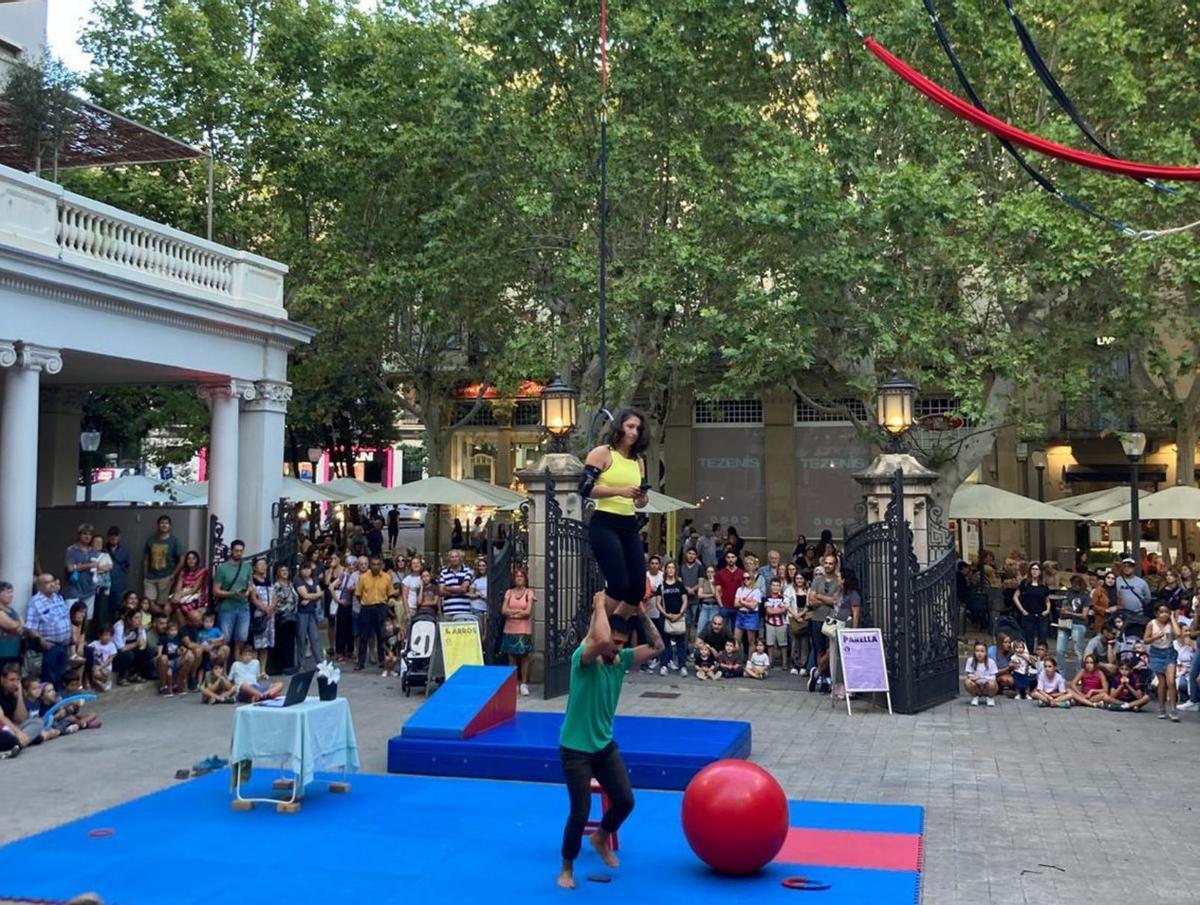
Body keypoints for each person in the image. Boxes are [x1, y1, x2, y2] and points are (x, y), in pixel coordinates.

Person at [556, 597, 662, 890]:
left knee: (626, 801)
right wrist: (600, 605)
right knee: (580, 810)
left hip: (603, 747)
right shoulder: (584, 658)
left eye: (620, 643)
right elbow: (599, 640)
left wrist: (640, 612)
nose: (614, 646)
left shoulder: (621, 660)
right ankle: (566, 867)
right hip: (575, 748)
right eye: (613, 641)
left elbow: (657, 647)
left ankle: (601, 837)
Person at [579, 408, 650, 621]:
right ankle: (593, 631)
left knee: (637, 589)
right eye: (630, 426)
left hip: (629, 523)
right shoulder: (602, 453)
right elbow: (584, 489)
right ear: (619, 426)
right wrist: (619, 491)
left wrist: (641, 499)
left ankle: (614, 630)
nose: (634, 432)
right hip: (605, 522)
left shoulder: (638, 460)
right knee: (619, 585)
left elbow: (640, 501)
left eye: (638, 428)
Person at [24, 574, 72, 691]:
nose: (51, 584)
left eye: (52, 581)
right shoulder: (35, 602)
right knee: (49, 678)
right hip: (49, 646)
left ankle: (60, 700)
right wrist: (41, 640)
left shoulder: (58, 597)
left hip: (64, 644)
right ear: (39, 586)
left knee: (62, 675)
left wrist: (70, 637)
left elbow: (66, 618)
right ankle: (49, 704)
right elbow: (30, 627)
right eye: (47, 582)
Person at [355, 556, 395, 671]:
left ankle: (382, 660)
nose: (376, 566)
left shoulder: (387, 577)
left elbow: (390, 593)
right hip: (367, 607)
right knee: (363, 635)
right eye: (373, 564)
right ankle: (361, 662)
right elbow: (358, 594)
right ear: (370, 565)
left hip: (381, 606)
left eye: (378, 564)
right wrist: (366, 602)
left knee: (381, 635)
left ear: (382, 565)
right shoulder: (363, 577)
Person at [213, 540, 252, 659]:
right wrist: (232, 593)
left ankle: (237, 663)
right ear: (231, 551)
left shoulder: (247, 567)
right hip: (227, 607)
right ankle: (222, 667)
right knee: (225, 639)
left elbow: (250, 584)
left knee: (242, 637)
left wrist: (248, 592)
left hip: (243, 607)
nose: (239, 553)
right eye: (236, 551)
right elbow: (216, 591)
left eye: (241, 551)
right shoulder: (223, 568)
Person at [500, 567, 535, 696]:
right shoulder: (509, 592)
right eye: (517, 576)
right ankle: (513, 683)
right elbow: (503, 610)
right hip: (510, 629)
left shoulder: (529, 593)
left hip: (523, 629)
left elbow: (527, 612)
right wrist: (518, 613)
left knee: (524, 656)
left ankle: (524, 683)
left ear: (525, 578)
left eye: (521, 576)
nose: (519, 578)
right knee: (511, 657)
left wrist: (512, 613)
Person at [1144, 603, 1182, 721]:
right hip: (1156, 653)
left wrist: (1172, 618)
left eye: (1166, 612)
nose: (1164, 614)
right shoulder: (1152, 624)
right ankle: (1161, 707)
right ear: (1156, 613)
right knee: (1162, 682)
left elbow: (1179, 633)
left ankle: (1173, 709)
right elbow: (1145, 640)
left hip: (1169, 653)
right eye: (1161, 612)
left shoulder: (1171, 624)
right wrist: (1155, 637)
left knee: (1171, 681)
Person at [64, 524, 101, 627]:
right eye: (85, 534)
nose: (87, 536)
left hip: (89, 588)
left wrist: (80, 566)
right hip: (73, 589)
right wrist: (88, 565)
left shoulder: (93, 551)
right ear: (79, 535)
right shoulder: (71, 550)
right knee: (71, 616)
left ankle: (82, 639)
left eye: (90, 534)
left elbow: (97, 567)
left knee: (87, 617)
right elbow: (70, 568)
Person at [142, 515, 183, 608]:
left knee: (162, 604)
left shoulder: (174, 541)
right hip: (150, 578)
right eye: (162, 523)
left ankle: (160, 620)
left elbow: (181, 559)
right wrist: (145, 575)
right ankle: (153, 621)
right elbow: (146, 559)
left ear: (170, 526)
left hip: (166, 577)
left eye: (166, 523)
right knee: (148, 603)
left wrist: (173, 574)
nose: (164, 525)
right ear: (158, 525)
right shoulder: (151, 540)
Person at [659, 560, 689, 676]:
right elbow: (658, 602)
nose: (671, 570)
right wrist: (666, 614)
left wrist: (680, 613)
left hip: (678, 617)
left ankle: (682, 666)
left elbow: (685, 600)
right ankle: (664, 665)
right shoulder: (662, 586)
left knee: (680, 642)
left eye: (673, 568)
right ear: (665, 570)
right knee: (665, 642)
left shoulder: (680, 584)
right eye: (669, 567)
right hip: (665, 617)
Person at [248, 558, 276, 674]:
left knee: (265, 644)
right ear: (254, 567)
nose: (263, 567)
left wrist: (271, 607)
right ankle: (254, 671)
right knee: (257, 644)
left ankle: (262, 671)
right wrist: (265, 609)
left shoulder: (268, 581)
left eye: (265, 564)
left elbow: (275, 595)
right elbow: (253, 599)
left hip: (269, 616)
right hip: (258, 614)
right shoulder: (252, 581)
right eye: (260, 564)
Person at [1014, 561, 1051, 651]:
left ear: (1040, 572)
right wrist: (1022, 610)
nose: (1035, 571)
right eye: (1033, 569)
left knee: (1042, 640)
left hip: (1041, 615)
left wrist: (1047, 610)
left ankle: (1041, 660)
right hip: (1028, 615)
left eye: (1037, 569)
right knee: (1029, 640)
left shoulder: (1043, 585)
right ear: (1030, 571)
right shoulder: (1025, 583)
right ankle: (1029, 659)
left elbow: (1047, 601)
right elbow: (1015, 597)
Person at [1055, 574, 1092, 664]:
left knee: (1078, 652)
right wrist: (1062, 610)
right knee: (1059, 650)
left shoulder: (1085, 596)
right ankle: (1061, 675)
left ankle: (1079, 674)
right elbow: (1063, 604)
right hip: (1065, 622)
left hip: (1078, 623)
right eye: (1073, 584)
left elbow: (1084, 615)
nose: (1074, 586)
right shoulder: (1068, 593)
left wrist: (1070, 613)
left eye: (1076, 584)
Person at [294, 561, 324, 669]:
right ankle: (300, 664)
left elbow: (320, 593)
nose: (306, 571)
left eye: (308, 568)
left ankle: (319, 663)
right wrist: (314, 596)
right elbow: (304, 594)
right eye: (304, 569)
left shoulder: (315, 579)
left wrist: (310, 599)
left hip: (312, 611)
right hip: (301, 613)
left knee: (314, 637)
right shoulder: (298, 580)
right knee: (301, 638)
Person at [272, 564, 299, 675]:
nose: (284, 572)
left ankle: (290, 665)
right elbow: (275, 600)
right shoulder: (276, 586)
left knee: (290, 641)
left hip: (292, 617)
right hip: (281, 616)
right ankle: (281, 666)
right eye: (282, 570)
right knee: (282, 641)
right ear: (277, 573)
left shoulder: (290, 584)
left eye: (286, 570)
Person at [156, 619, 193, 696]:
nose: (174, 632)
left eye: (175, 630)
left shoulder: (177, 639)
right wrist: (159, 656)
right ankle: (166, 688)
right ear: (167, 631)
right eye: (171, 630)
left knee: (190, 656)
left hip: (176, 660)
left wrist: (184, 651)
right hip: (167, 661)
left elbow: (180, 649)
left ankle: (179, 684)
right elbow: (159, 652)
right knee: (165, 661)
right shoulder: (163, 638)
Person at [103, 527, 131, 627]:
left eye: (116, 535)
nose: (113, 537)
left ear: (119, 537)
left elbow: (127, 566)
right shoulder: (102, 549)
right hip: (103, 585)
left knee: (118, 608)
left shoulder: (124, 551)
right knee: (104, 609)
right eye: (111, 535)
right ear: (107, 537)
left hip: (118, 585)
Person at [784, 573, 811, 676]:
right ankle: (795, 665)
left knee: (804, 643)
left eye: (801, 578)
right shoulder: (789, 589)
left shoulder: (808, 590)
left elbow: (809, 604)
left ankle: (803, 665)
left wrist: (801, 614)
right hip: (792, 617)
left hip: (804, 617)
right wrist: (795, 615)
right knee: (794, 642)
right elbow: (786, 604)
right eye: (797, 578)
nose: (799, 580)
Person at [438, 549, 475, 622]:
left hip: (463, 611)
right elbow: (441, 592)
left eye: (456, 557)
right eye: (452, 557)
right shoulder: (444, 572)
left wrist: (446, 588)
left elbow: (463, 589)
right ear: (449, 559)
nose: (454, 559)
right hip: (448, 612)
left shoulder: (467, 571)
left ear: (460, 558)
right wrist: (458, 590)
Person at [168, 551, 208, 617]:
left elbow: (195, 589)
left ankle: (183, 626)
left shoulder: (202, 571)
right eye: (189, 558)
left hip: (196, 598)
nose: (191, 561)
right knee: (168, 606)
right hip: (183, 595)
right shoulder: (183, 571)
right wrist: (177, 594)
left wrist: (180, 594)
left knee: (180, 610)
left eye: (193, 558)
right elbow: (179, 585)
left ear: (197, 560)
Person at [733, 571, 761, 656]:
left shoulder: (757, 591)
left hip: (751, 616)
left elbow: (753, 606)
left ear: (752, 579)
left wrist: (742, 602)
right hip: (740, 614)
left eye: (748, 578)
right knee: (736, 640)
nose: (745, 580)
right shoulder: (740, 589)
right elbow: (735, 604)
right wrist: (746, 604)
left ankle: (749, 661)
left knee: (751, 641)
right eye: (744, 578)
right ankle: (736, 660)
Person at [762, 578, 788, 670]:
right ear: (770, 586)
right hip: (770, 624)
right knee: (770, 643)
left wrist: (775, 610)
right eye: (773, 585)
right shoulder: (766, 598)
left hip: (781, 624)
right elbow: (768, 611)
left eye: (777, 585)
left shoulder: (783, 598)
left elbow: (785, 610)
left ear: (780, 587)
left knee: (783, 643)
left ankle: (784, 663)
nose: (775, 587)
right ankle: (770, 662)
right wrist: (779, 610)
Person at [678, 547, 703, 642]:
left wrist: (692, 589)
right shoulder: (681, 567)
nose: (691, 556)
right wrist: (687, 589)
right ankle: (685, 646)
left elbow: (701, 582)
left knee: (696, 624)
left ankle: (696, 645)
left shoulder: (699, 567)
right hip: (684, 600)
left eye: (693, 554)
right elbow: (679, 582)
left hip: (696, 600)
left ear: (696, 556)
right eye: (689, 553)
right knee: (686, 623)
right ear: (686, 555)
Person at [0, 581, 26, 670]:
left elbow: (22, 626)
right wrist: (17, 624)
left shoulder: (11, 609)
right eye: (8, 592)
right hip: (2, 652)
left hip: (14, 651)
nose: (11, 595)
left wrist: (17, 625)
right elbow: (10, 625)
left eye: (12, 592)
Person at [963, 641, 998, 706]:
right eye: (977, 651)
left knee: (992, 684)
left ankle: (990, 697)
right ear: (974, 652)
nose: (979, 653)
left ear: (986, 653)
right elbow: (969, 674)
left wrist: (981, 677)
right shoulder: (970, 660)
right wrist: (972, 677)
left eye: (982, 651)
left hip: (987, 685)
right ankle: (975, 696)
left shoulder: (991, 662)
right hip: (976, 684)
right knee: (967, 682)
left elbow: (993, 678)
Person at [86, 626, 118, 692]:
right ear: (100, 636)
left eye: (110, 635)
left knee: (95, 673)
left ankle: (105, 682)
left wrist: (100, 667)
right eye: (105, 635)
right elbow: (87, 648)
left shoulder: (112, 645)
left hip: (105, 668)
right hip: (96, 666)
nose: (107, 637)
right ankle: (102, 684)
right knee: (92, 671)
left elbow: (110, 660)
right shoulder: (95, 643)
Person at [469, 556, 489, 640]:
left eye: (483, 565)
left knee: (487, 631)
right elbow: (470, 594)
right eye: (480, 566)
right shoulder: (476, 580)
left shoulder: (490, 579)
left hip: (488, 607)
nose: (481, 568)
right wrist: (478, 595)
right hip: (477, 607)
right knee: (479, 629)